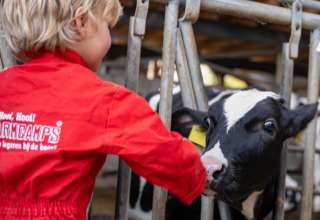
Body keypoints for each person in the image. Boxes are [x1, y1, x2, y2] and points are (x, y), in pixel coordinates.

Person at [0, 0, 207, 219]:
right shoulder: (104, 99)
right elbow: (166, 156)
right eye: (107, 26)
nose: (109, 35)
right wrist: (199, 174)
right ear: (82, 23)